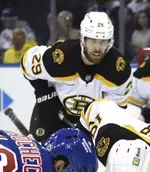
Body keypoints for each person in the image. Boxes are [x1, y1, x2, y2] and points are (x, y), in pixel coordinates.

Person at [21, 11, 131, 143]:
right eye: (92, 41)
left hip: (89, 121)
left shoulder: (118, 69)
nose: (97, 48)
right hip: (53, 112)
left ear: (110, 42)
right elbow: (26, 63)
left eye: (103, 42)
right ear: (83, 39)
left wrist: (92, 127)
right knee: (43, 157)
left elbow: (115, 110)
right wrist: (44, 94)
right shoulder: (61, 57)